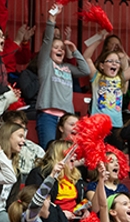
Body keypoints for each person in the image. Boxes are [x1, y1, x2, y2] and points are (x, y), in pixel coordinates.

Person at [35, 5, 90, 149]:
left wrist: (75, 51)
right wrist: (51, 19)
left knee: (67, 152)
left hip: (66, 118)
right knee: (49, 150)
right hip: (48, 116)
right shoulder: (46, 64)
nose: (60, 49)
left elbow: (85, 70)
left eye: (62, 48)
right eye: (56, 47)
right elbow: (47, 41)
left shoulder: (67, 68)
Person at [83, 29, 130, 148]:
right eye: (110, 61)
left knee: (114, 157)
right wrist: (99, 40)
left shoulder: (121, 78)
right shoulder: (97, 77)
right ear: (102, 65)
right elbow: (86, 57)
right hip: (97, 125)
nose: (114, 63)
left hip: (116, 125)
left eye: (117, 62)